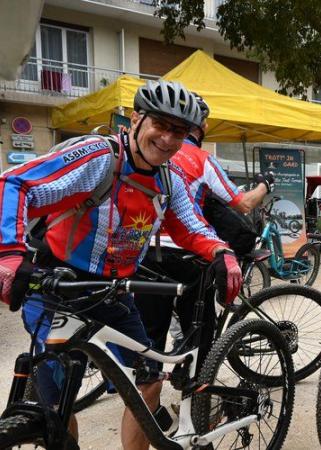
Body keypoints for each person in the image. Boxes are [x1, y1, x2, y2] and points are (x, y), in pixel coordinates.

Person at [0, 80, 242, 450]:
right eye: (160, 125)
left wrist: (222, 253)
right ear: (136, 118)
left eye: (179, 132)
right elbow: (16, 184)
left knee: (148, 383)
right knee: (56, 400)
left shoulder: (168, 177)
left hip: (114, 291)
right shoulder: (99, 158)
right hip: (59, 284)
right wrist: (11, 256)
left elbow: (191, 225)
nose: (168, 139)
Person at [135, 92, 273, 370]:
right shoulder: (201, 159)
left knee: (148, 341)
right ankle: (199, 400)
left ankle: (148, 398)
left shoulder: (144, 157)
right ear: (204, 127)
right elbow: (243, 204)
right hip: (189, 253)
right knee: (200, 333)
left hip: (146, 252)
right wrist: (265, 185)